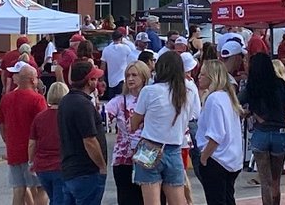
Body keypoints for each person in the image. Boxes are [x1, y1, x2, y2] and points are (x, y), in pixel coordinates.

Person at [130, 50, 201, 205]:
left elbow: (133, 125)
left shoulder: (149, 91)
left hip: (149, 147)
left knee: (151, 201)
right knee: (178, 199)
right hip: (174, 148)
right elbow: (190, 119)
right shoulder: (187, 92)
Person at [240, 52, 285, 205]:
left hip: (260, 133)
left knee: (265, 181)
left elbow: (236, 102)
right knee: (276, 180)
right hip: (279, 133)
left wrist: (252, 113)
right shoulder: (280, 84)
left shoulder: (251, 87)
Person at [0, 63, 49, 205]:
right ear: (33, 80)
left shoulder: (6, 99)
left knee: (18, 188)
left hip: (14, 150)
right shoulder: (37, 99)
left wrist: (8, 142)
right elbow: (43, 125)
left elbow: (1, 124)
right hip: (33, 151)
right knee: (41, 188)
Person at [59, 61, 108, 205]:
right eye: (95, 78)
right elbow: (89, 141)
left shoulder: (65, 101)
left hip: (69, 170)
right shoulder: (83, 105)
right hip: (86, 171)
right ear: (89, 81)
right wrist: (102, 166)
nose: (97, 82)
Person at [196, 59, 244, 205]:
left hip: (217, 159)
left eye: (203, 74)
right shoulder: (228, 97)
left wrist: (204, 158)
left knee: (216, 200)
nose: (199, 77)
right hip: (232, 159)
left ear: (212, 77)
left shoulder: (214, 99)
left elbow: (216, 134)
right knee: (228, 198)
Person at [106, 61, 152, 205]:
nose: (130, 79)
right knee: (126, 198)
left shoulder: (152, 98)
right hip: (123, 157)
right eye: (127, 75)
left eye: (134, 75)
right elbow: (103, 118)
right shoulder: (118, 101)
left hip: (147, 155)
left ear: (144, 77)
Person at [29, 81, 69, 205]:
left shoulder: (40, 117)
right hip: (61, 165)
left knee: (53, 197)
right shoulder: (67, 117)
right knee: (59, 199)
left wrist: (31, 161)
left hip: (42, 166)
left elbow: (32, 143)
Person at [100, 27, 132, 100]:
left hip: (111, 82)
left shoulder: (106, 50)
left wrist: (101, 80)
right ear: (121, 38)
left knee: (112, 105)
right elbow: (131, 63)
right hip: (123, 80)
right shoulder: (126, 48)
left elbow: (103, 67)